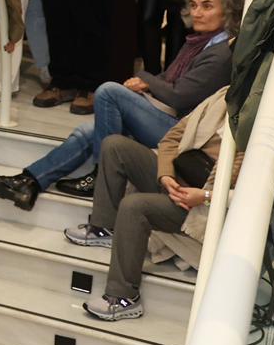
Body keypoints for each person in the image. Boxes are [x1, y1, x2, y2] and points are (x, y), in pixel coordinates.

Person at [0, 0, 238, 210]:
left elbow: (180, 95)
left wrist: (145, 80)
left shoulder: (220, 53)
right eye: (193, 5)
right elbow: (171, 81)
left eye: (207, 6)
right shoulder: (198, 43)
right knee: (86, 132)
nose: (197, 12)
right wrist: (146, 86)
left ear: (226, 10)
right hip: (169, 119)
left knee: (109, 92)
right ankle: (29, 183)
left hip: (183, 135)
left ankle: (102, 175)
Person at [70, 87, 238, 322]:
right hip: (179, 179)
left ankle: (124, 298)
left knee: (133, 206)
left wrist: (205, 195)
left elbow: (249, 192)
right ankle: (103, 227)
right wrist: (165, 176)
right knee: (115, 145)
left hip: (204, 205)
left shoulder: (260, 124)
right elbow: (171, 138)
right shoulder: (222, 96)